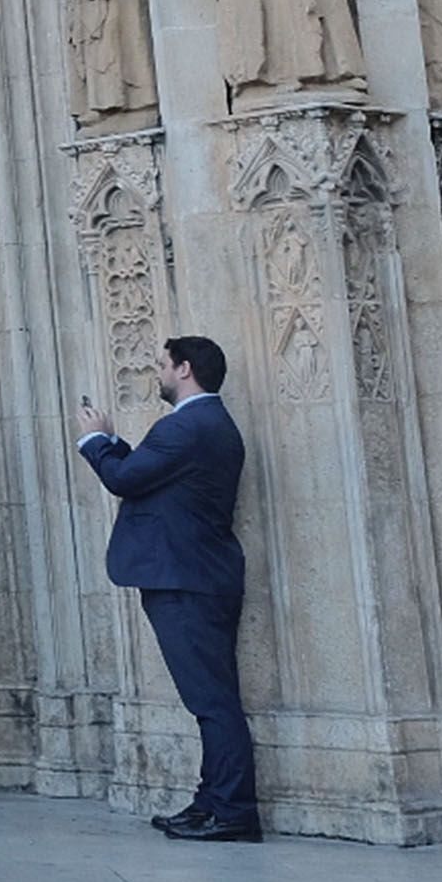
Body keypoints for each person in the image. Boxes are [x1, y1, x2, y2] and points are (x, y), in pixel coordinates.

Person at [79, 337, 254, 839]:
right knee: (209, 697)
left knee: (212, 701)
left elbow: (125, 480)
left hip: (187, 578)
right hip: (195, 574)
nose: (157, 374)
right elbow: (151, 474)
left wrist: (94, 440)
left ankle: (233, 811)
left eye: (161, 365)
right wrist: (115, 445)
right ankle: (212, 800)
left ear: (184, 369)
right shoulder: (201, 426)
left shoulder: (186, 426)